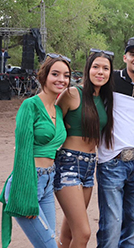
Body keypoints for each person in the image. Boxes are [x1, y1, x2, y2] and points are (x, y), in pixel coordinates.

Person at [1, 54, 71, 247]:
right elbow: (22, 151)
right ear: (44, 76)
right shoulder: (29, 105)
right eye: (55, 74)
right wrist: (26, 193)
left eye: (66, 75)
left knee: (50, 242)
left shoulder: (57, 109)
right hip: (27, 182)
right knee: (49, 245)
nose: (61, 79)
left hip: (48, 182)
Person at [96, 36, 134, 247]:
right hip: (111, 160)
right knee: (111, 223)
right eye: (133, 54)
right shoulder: (109, 79)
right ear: (125, 57)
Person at [54, 49, 114, 247]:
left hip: (89, 166)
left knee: (69, 232)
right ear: (88, 69)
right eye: (96, 67)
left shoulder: (104, 100)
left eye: (105, 68)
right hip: (68, 164)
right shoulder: (72, 94)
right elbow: (52, 122)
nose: (100, 72)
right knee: (84, 233)